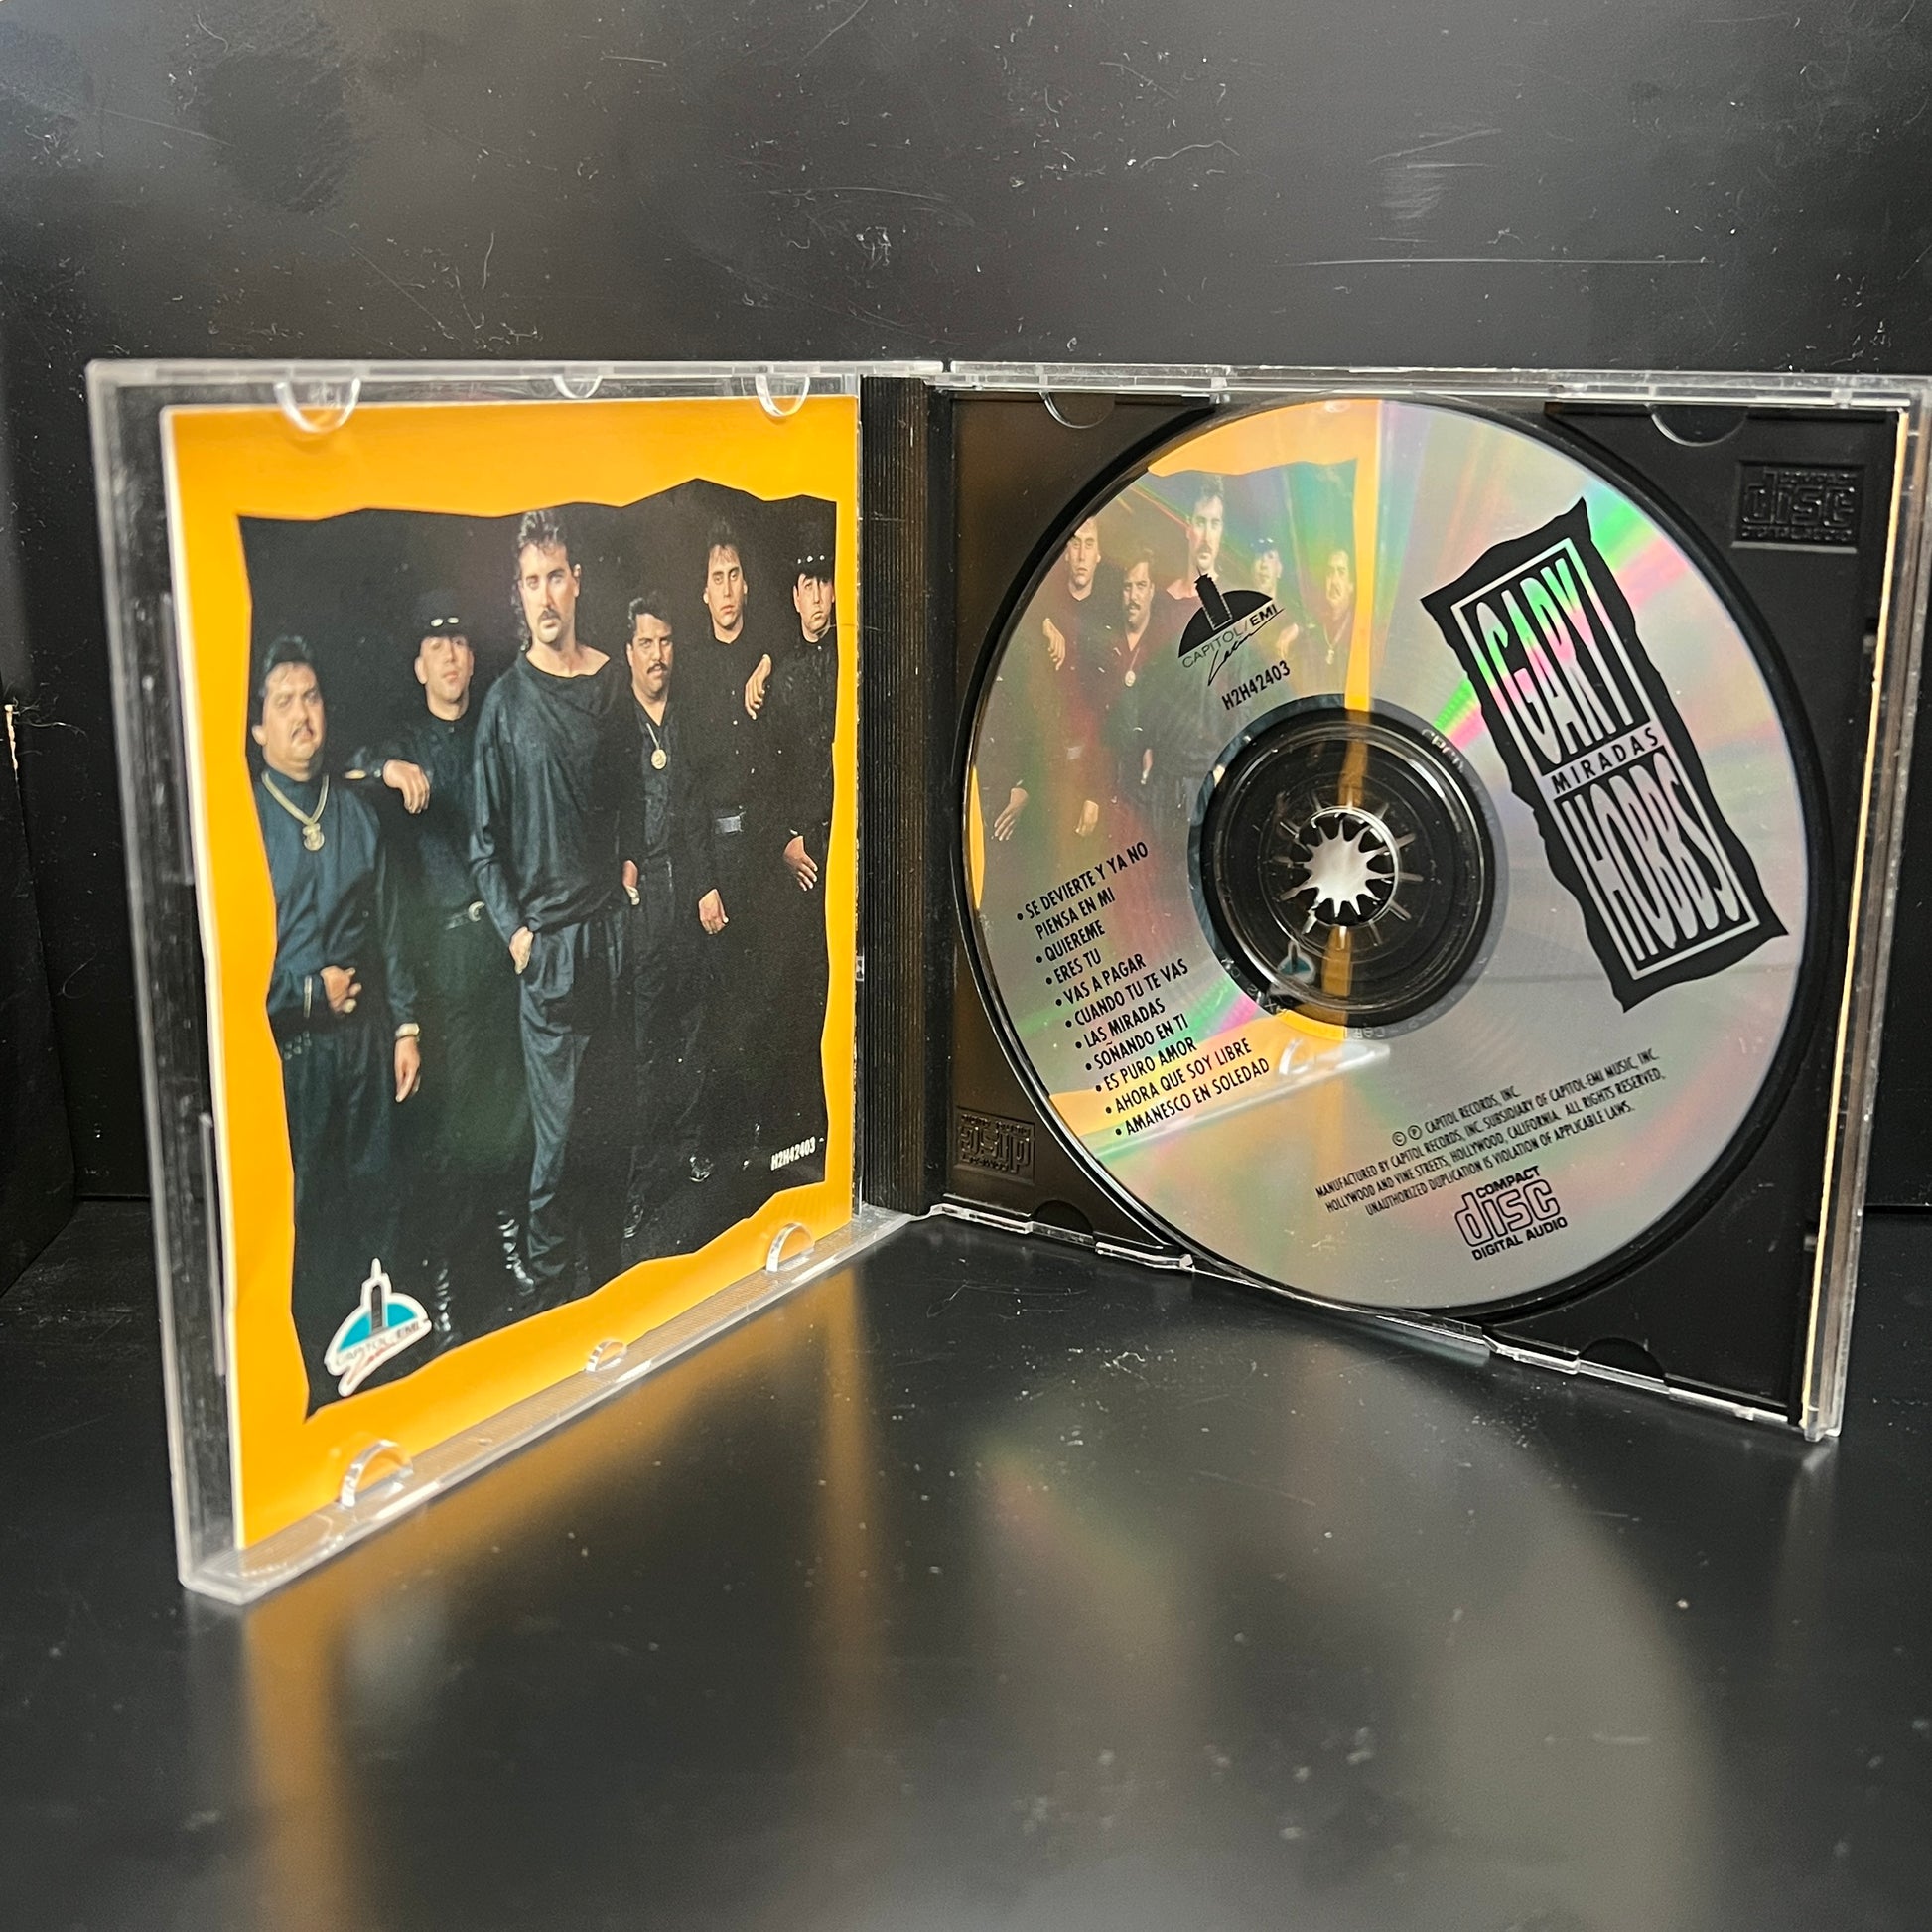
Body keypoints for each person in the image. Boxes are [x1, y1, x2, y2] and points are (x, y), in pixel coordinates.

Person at [351, 591, 534, 1344]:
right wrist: (385, 767)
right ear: (419, 665)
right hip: (442, 962)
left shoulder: (492, 721)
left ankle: (513, 1248)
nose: (451, 656)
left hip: (499, 945)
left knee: (512, 1108)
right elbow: (344, 768)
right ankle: (450, 1282)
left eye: (459, 642)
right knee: (451, 1129)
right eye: (436, 646)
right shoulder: (405, 740)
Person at [250, 636, 422, 1409]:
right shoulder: (245, 825)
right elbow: (226, 970)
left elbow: (392, 927)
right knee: (308, 1211)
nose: (302, 715)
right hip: (292, 1056)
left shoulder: (353, 810)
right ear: (259, 726)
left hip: (365, 1044)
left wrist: (407, 1027)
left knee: (376, 1193)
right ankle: (314, 1376)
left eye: (311, 697)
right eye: (284, 702)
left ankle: (376, 1360)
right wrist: (307, 994)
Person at [472, 510, 631, 1304]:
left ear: (577, 583)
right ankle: (548, 1288)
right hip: (550, 952)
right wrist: (518, 936)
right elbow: (482, 843)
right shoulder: (505, 704)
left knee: (611, 1121)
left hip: (610, 940)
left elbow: (631, 796)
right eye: (531, 581)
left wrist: (628, 877)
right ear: (519, 593)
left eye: (556, 576)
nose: (545, 594)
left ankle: (608, 1289)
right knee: (559, 1140)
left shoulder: (611, 683)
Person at [617, 592, 722, 1246]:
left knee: (694, 1027)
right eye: (646, 644)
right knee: (643, 1048)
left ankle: (691, 1147)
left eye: (665, 643)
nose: (658, 655)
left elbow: (699, 812)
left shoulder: (686, 719)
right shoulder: (617, 725)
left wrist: (706, 886)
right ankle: (638, 1184)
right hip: (641, 900)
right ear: (628, 652)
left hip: (686, 892)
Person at [679, 521, 773, 1170]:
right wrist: (704, 884)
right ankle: (706, 1143)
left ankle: (755, 1141)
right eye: (717, 577)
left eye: (735, 574)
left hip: (762, 853)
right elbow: (686, 790)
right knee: (715, 1009)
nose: (728, 587)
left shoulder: (766, 655)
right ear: (705, 593)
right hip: (715, 853)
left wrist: (765, 663)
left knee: (762, 996)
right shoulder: (690, 673)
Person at [759, 546, 839, 1171]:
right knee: (805, 984)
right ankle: (806, 1126)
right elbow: (770, 772)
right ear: (794, 595)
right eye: (807, 585)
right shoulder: (781, 675)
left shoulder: (851, 659)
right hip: (804, 848)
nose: (817, 597)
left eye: (825, 584)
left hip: (848, 840)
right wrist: (786, 840)